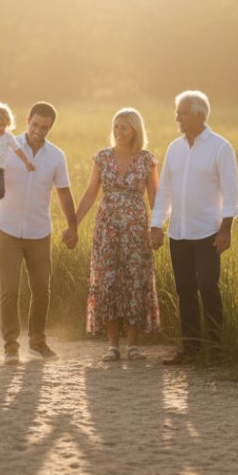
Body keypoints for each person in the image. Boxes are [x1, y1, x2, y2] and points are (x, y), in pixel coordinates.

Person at [0, 101, 78, 365]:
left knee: (42, 290)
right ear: (27, 119)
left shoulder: (56, 157)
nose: (39, 131)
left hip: (39, 232)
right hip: (7, 229)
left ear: (50, 127)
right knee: (9, 290)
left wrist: (72, 226)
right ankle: (10, 346)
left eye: (45, 127)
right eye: (35, 125)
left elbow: (64, 193)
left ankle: (37, 342)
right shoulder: (6, 146)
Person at [149, 91, 238, 365]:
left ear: (200, 115)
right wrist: (156, 225)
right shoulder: (174, 148)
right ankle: (190, 349)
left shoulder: (221, 147)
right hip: (179, 232)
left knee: (208, 288)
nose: (177, 117)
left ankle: (215, 350)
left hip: (208, 233)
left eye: (183, 113)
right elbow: (164, 190)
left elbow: (231, 192)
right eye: (177, 112)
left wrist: (225, 230)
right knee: (184, 289)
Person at [74, 108, 160, 361]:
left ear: (135, 130)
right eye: (115, 126)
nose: (118, 131)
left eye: (123, 127)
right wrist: (74, 223)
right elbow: (91, 193)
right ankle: (112, 346)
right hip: (107, 227)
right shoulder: (102, 157)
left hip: (135, 228)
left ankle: (133, 345)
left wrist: (159, 227)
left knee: (135, 279)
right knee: (108, 279)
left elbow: (155, 197)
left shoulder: (147, 160)